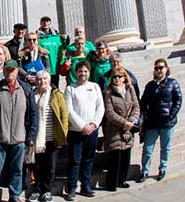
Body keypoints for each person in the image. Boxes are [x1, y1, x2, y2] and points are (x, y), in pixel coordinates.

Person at [0, 59, 38, 202]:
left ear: (17, 71)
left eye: (12, 70)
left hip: (20, 137)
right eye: (7, 70)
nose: (9, 73)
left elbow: (33, 114)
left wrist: (31, 135)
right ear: (3, 71)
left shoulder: (26, 89)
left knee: (17, 170)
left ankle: (15, 195)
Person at [64, 61, 104, 200]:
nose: (83, 74)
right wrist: (83, 126)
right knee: (75, 161)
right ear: (76, 73)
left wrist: (93, 124)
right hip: (76, 131)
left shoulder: (95, 87)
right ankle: (71, 188)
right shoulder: (70, 89)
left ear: (89, 72)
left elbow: (100, 107)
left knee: (88, 159)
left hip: (92, 130)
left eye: (85, 71)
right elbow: (69, 111)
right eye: (80, 71)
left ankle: (86, 186)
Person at [138, 58, 182, 183]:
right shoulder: (150, 85)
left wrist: (172, 114)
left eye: (161, 67)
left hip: (167, 122)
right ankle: (144, 171)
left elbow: (178, 99)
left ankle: (162, 168)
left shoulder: (172, 83)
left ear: (166, 69)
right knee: (147, 148)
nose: (158, 70)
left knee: (165, 147)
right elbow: (143, 102)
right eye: (156, 68)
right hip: (152, 122)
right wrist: (145, 115)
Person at [28, 70, 68, 202]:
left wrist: (63, 135)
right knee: (37, 166)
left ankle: (47, 190)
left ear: (49, 80)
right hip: (37, 138)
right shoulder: (32, 95)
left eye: (45, 79)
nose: (42, 81)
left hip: (52, 137)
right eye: (39, 79)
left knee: (50, 166)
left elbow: (64, 116)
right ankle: (37, 189)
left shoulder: (56, 95)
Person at [102, 67, 140, 192]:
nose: (117, 79)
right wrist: (124, 123)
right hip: (114, 130)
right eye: (114, 77)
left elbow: (136, 106)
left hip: (128, 130)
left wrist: (132, 120)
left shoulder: (130, 89)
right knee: (115, 158)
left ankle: (122, 180)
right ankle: (112, 183)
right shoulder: (108, 92)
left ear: (124, 78)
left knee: (125, 157)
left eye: (120, 76)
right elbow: (109, 113)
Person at [36, 17, 66, 87]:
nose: (45, 23)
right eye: (43, 21)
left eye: (47, 21)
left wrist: (65, 38)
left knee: (55, 87)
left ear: (50, 23)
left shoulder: (57, 36)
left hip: (54, 67)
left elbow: (65, 47)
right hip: (42, 67)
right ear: (40, 23)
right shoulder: (36, 37)